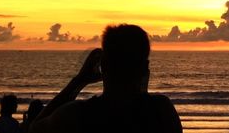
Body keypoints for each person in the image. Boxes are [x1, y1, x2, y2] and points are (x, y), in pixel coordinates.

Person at [31, 24, 181, 133]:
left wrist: (79, 80)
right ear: (144, 67)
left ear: (103, 64)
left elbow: (34, 129)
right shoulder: (162, 111)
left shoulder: (77, 115)